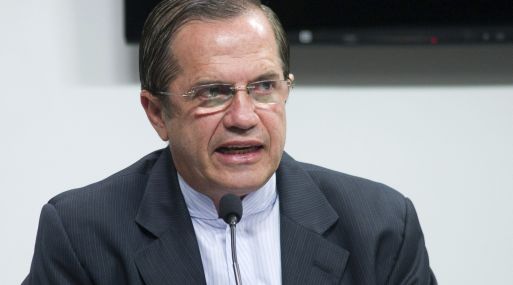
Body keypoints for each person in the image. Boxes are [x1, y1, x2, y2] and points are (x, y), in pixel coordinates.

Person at [23, 0, 436, 284]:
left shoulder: (380, 225)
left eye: (263, 87)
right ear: (156, 112)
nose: (243, 117)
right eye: (212, 92)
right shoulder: (82, 234)